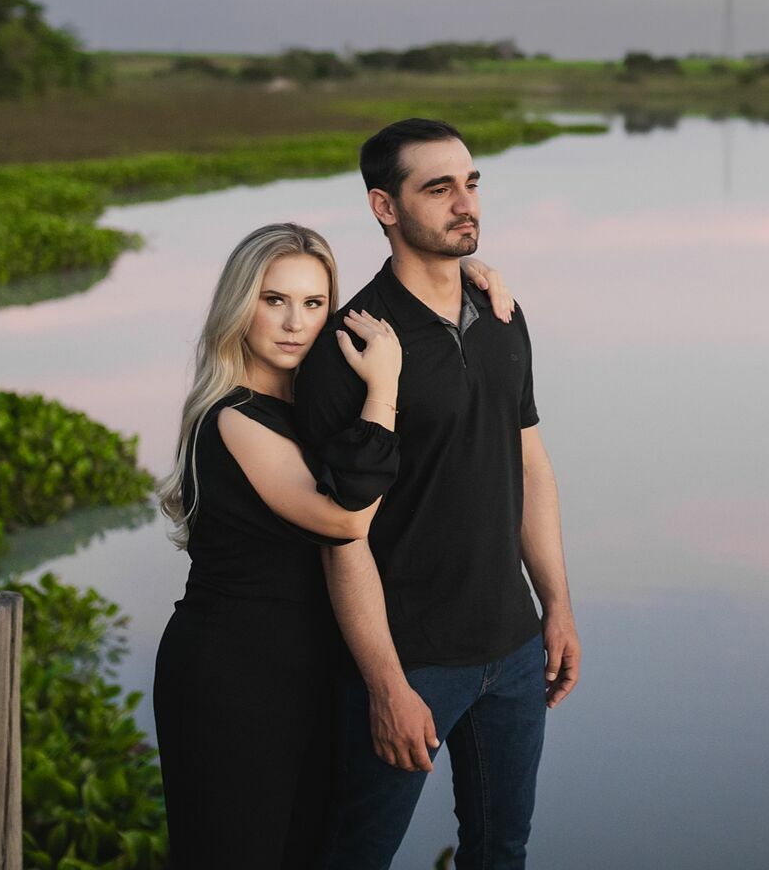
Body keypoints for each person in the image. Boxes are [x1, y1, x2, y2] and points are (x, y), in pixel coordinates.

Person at [151, 221, 517, 870]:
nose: (296, 322)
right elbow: (343, 520)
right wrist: (383, 389)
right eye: (275, 300)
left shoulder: (306, 407)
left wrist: (460, 275)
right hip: (233, 673)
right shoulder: (234, 418)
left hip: (311, 672)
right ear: (241, 305)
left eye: (314, 304)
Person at [298, 119, 580, 870]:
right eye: (438, 187)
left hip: (514, 650)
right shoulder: (352, 347)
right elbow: (341, 535)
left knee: (502, 849)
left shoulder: (502, 317)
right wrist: (386, 684)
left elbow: (531, 465)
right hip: (409, 660)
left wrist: (555, 605)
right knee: (357, 855)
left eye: (472, 182)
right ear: (385, 208)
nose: (466, 204)